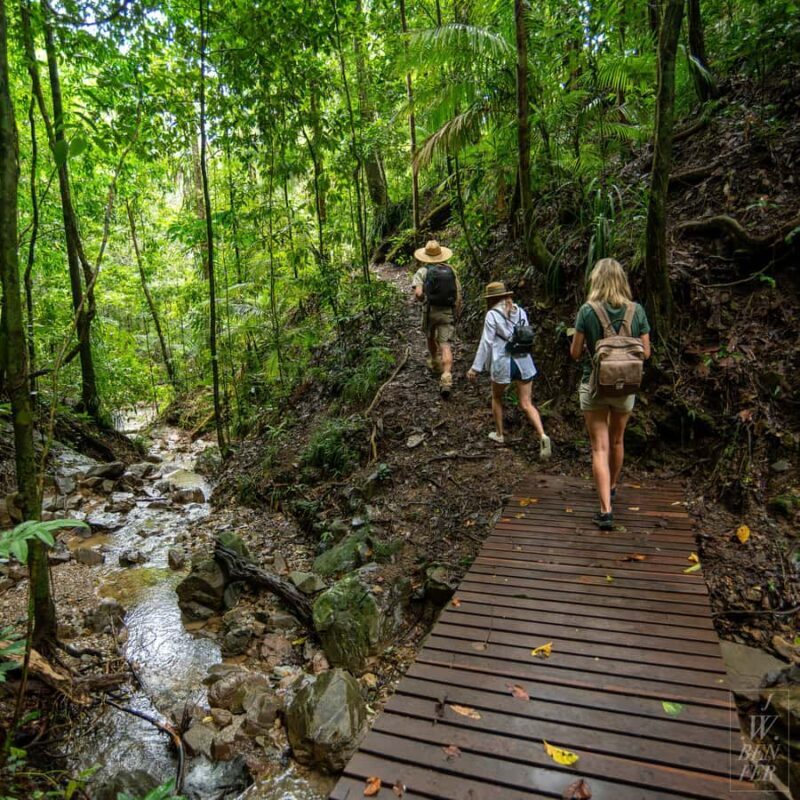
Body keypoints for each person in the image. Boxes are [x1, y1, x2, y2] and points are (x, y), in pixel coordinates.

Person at [570, 258, 651, 530]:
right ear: (621, 280)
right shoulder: (636, 311)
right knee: (617, 441)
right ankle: (612, 486)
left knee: (599, 447)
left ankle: (605, 510)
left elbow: (576, 353)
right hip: (626, 386)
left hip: (594, 385)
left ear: (597, 280)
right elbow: (646, 352)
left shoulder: (587, 311)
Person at [467, 281, 551, 459]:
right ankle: (543, 435)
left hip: (504, 362)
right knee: (527, 403)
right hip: (524, 361)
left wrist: (475, 367)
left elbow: (486, 342)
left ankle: (499, 434)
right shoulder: (520, 310)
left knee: (497, 397)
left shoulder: (492, 315)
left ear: (491, 299)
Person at [411, 240, 462, 398]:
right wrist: (456, 312)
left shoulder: (422, 271)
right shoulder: (451, 270)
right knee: (445, 345)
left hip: (430, 311)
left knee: (430, 336)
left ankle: (434, 361)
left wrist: (423, 299)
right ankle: (446, 377)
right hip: (447, 312)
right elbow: (458, 295)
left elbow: (418, 294)